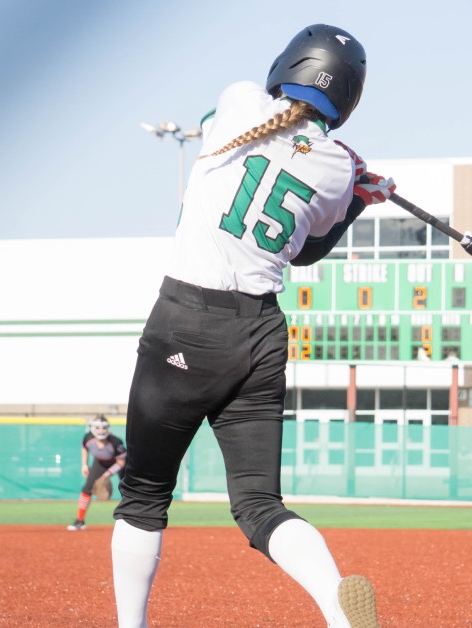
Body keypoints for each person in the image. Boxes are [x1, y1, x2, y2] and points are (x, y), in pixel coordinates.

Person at [109, 24, 392, 628]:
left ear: (287, 65)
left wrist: (346, 178)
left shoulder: (240, 100)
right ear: (347, 98)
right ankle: (337, 607)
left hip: (186, 320)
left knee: (144, 495)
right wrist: (358, 198)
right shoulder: (338, 169)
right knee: (260, 504)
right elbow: (308, 251)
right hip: (261, 333)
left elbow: (224, 126)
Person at [67, 414, 127, 531]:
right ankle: (80, 521)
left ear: (108, 428)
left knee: (127, 490)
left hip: (119, 463)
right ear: (92, 428)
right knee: (86, 489)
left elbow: (121, 462)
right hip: (100, 463)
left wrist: (107, 475)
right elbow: (84, 449)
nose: (101, 431)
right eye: (97, 427)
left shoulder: (116, 442)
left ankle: (130, 520)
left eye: (104, 428)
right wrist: (84, 465)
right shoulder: (88, 438)